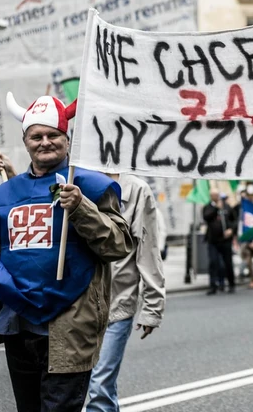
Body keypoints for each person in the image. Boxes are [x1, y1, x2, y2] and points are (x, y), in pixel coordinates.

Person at [0, 94, 133, 412]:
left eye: (53, 135)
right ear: (26, 142)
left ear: (67, 139)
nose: (45, 142)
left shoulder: (90, 186)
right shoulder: (5, 196)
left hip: (70, 328)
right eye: (37, 136)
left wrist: (81, 208)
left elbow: (118, 245)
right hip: (17, 327)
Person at [86, 173, 166, 412]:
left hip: (116, 305)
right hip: (75, 308)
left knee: (100, 387)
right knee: (70, 389)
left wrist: (152, 308)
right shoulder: (73, 179)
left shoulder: (136, 189)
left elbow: (148, 249)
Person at [202, 190, 236, 295]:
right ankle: (213, 285)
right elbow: (206, 217)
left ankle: (231, 284)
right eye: (214, 195)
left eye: (217, 195)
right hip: (213, 240)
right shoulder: (208, 207)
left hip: (225, 240)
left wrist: (231, 230)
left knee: (227, 263)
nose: (216, 197)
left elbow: (234, 220)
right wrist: (216, 208)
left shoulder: (227, 207)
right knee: (213, 262)